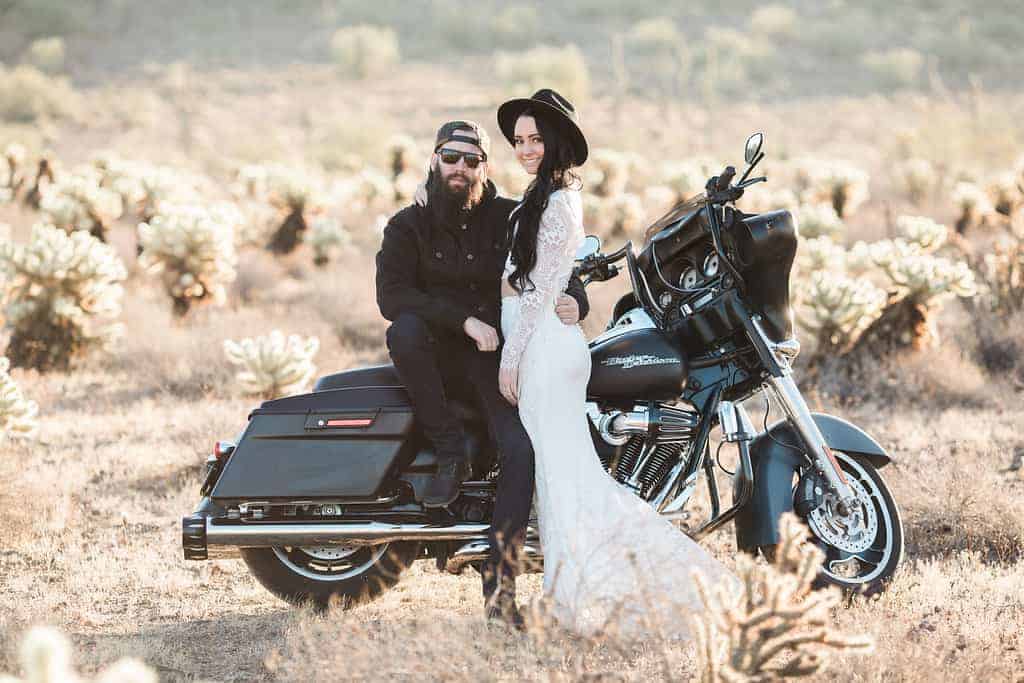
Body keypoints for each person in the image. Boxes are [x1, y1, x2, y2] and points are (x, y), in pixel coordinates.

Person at [495, 89, 736, 637]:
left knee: (566, 476)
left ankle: (591, 594)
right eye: (519, 141)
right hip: (535, 344)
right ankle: (565, 596)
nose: (526, 149)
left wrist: (510, 358)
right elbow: (534, 280)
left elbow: (539, 289)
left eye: (535, 139)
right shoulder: (537, 197)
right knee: (557, 480)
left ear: (556, 143)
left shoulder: (560, 202)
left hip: (543, 353)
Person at [375, 120, 591, 628]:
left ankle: (500, 590)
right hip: (436, 356)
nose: (460, 168)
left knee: (521, 450)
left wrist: (574, 300)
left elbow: (557, 265)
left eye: (472, 160)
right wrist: (461, 320)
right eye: (451, 157)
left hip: (495, 359)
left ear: (484, 167)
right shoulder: (408, 225)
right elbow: (392, 297)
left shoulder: (510, 216)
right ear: (434, 160)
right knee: (403, 330)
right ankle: (449, 448)